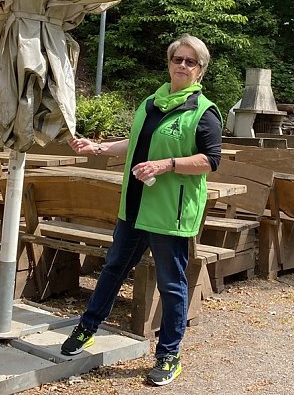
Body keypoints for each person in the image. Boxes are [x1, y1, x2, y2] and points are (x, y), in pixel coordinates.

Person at [62, 33, 222, 387]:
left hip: (169, 212)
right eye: (177, 59)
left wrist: (167, 164)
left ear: (200, 70)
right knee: (113, 269)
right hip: (134, 206)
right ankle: (87, 328)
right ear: (169, 63)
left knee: (171, 285)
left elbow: (211, 161)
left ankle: (168, 355)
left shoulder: (203, 112)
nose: (182, 65)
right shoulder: (151, 102)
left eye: (190, 62)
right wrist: (97, 147)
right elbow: (134, 143)